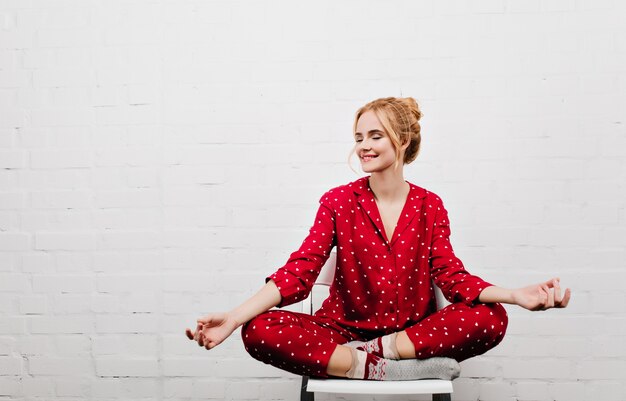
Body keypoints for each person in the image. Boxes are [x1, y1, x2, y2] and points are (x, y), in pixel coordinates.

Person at [185, 96, 571, 381]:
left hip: (411, 333)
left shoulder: (430, 205)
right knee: (259, 330)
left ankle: (380, 355)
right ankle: (377, 368)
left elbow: (453, 279)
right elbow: (299, 273)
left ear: (402, 141)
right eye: (359, 137)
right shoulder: (337, 201)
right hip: (341, 333)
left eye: (375, 136)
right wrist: (234, 319)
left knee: (492, 318)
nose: (364, 146)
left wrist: (515, 295)